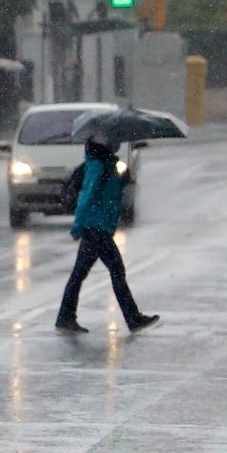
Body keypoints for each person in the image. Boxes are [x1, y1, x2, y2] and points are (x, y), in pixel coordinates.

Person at [55, 136, 159, 335]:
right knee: (116, 270)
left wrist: (123, 179)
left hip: (100, 226)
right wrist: (77, 226)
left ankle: (65, 316)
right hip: (96, 228)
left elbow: (111, 193)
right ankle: (133, 318)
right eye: (111, 143)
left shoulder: (109, 164)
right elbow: (86, 196)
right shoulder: (96, 166)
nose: (115, 145)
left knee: (79, 274)